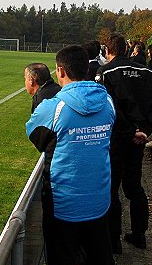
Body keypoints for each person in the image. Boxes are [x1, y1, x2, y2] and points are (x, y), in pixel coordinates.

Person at [26, 45, 116, 265]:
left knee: (61, 257)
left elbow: (36, 137)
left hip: (63, 204)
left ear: (61, 71)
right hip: (99, 200)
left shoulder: (53, 107)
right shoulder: (108, 102)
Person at [95, 33, 152, 253]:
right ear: (126, 49)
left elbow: (109, 107)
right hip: (138, 140)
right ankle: (139, 234)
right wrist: (143, 130)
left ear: (108, 51)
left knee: (112, 188)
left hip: (116, 138)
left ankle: (113, 239)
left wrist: (130, 130)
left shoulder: (106, 72)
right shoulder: (148, 73)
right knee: (134, 186)